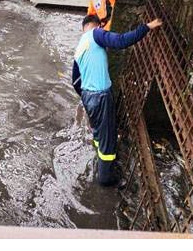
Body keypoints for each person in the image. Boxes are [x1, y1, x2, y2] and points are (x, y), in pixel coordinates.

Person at [70, 13, 163, 186]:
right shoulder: (96, 34)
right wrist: (147, 27)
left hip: (88, 96)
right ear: (98, 26)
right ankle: (107, 178)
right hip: (100, 96)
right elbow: (120, 41)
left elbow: (75, 80)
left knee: (98, 132)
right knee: (108, 138)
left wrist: (86, 96)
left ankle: (99, 155)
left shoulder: (80, 46)